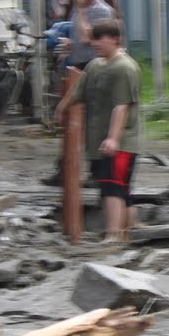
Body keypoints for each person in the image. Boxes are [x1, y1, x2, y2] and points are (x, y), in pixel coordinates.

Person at [55, 18, 142, 243]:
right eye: (93, 39)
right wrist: (61, 108)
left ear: (115, 39)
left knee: (113, 187)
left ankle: (113, 235)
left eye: (99, 39)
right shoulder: (94, 66)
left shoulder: (124, 68)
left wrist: (113, 138)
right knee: (116, 188)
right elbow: (78, 93)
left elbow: (121, 106)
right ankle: (129, 232)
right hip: (98, 142)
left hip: (122, 142)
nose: (94, 43)